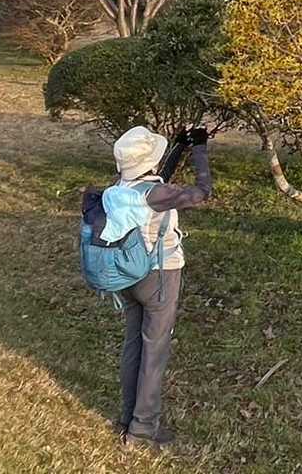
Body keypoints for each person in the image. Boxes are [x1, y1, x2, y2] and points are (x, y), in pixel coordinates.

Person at [107, 124, 214, 451]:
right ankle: (142, 429)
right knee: (154, 351)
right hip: (160, 276)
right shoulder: (155, 194)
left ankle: (127, 418)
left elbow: (158, 183)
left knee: (134, 345)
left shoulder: (121, 187)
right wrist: (200, 150)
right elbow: (202, 192)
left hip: (129, 275)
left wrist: (179, 147)